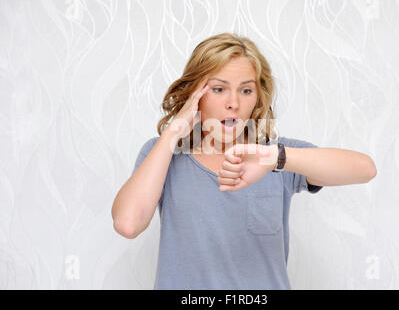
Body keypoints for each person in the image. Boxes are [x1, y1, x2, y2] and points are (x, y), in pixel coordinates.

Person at [111, 32, 377, 289]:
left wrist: (274, 157)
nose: (233, 103)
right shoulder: (162, 154)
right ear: (195, 94)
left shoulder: (278, 156)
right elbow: (128, 223)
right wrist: (173, 131)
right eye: (218, 89)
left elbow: (365, 170)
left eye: (246, 91)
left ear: (257, 96)